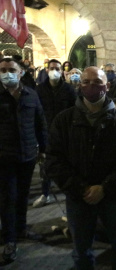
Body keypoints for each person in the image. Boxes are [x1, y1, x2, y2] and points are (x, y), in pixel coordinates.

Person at [45, 66, 116, 270]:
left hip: (113, 196)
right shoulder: (64, 120)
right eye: (86, 82)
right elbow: (54, 160)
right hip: (79, 197)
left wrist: (105, 188)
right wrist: (81, 188)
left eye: (97, 82)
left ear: (107, 86)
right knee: (81, 252)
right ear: (79, 86)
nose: (91, 86)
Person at [0, 58, 48, 262]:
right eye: (2, 70)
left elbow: (40, 123)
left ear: (20, 73)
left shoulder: (31, 95)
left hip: (27, 156)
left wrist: (44, 150)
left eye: (11, 70)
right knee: (7, 199)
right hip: (3, 158)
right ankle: (9, 240)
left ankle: (21, 229)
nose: (7, 73)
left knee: (23, 196)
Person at [33, 59, 77, 208]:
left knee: (65, 164)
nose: (54, 71)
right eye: (52, 68)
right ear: (47, 70)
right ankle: (45, 194)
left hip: (64, 133)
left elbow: (74, 111)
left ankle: (68, 193)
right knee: (45, 165)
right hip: (45, 133)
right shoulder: (39, 90)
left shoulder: (69, 90)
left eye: (57, 68)